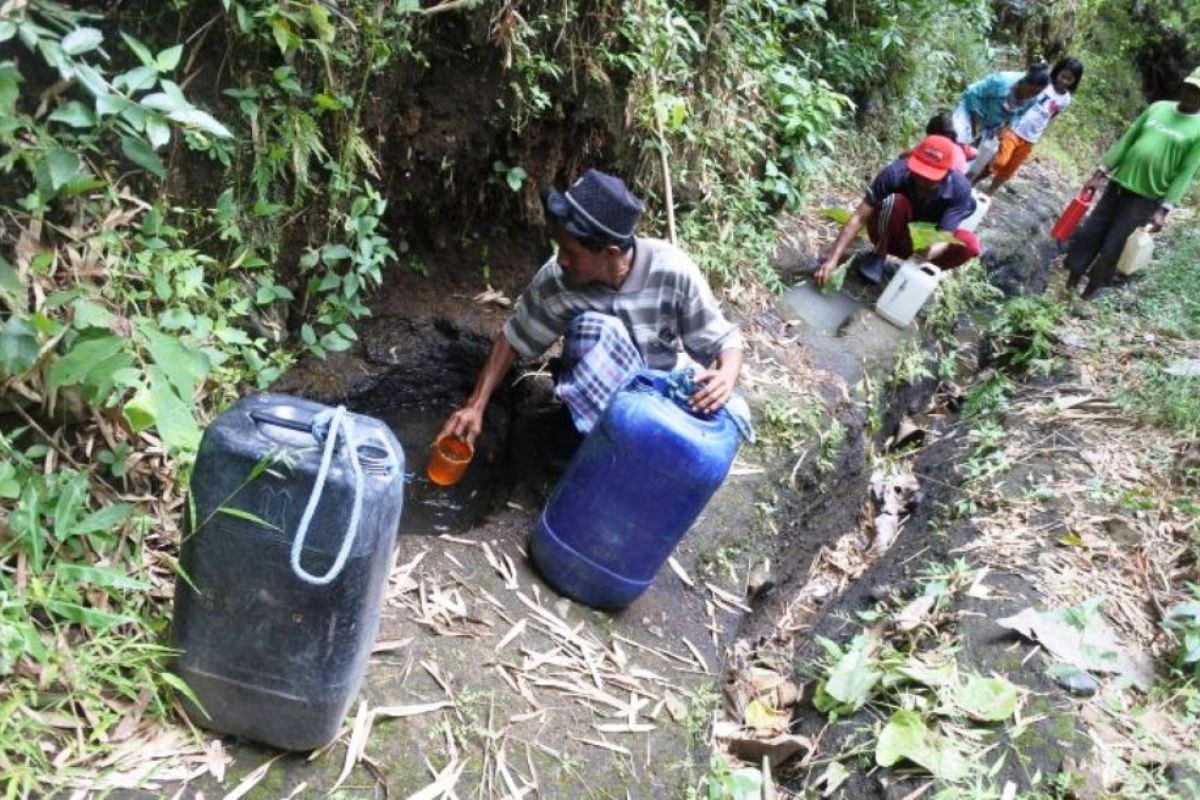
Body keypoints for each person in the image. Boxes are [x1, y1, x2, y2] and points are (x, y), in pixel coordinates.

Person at [438, 168, 745, 459]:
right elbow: (513, 339)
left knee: (732, 413)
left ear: (610, 253)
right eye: (560, 247)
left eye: (571, 252)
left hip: (657, 395)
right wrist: (475, 406)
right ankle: (589, 449)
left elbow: (725, 339)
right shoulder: (557, 281)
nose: (561, 260)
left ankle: (637, 455)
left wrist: (727, 374)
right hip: (592, 406)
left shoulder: (671, 270)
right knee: (593, 329)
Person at [1064, 66, 1200, 298]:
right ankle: (1069, 285)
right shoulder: (1158, 108)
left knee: (1114, 247)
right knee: (1090, 232)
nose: (1191, 94)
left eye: (1197, 92)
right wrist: (1100, 172)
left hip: (1145, 197)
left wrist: (1164, 209)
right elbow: (1128, 139)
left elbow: (1186, 172)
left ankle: (1088, 294)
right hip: (1118, 184)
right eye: (1189, 88)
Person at [813, 135, 981, 286]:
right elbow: (859, 217)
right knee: (895, 201)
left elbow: (945, 236)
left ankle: (919, 272)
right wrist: (832, 260)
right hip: (893, 232)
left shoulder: (960, 189)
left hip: (925, 241)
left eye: (930, 177)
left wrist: (931, 251)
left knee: (971, 244)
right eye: (919, 172)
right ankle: (878, 254)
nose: (922, 180)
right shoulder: (895, 173)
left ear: (947, 174)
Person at [982, 57, 1083, 195]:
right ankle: (974, 180)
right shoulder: (1045, 84)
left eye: (1069, 79)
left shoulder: (1066, 99)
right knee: (999, 161)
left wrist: (1042, 134)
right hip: (1016, 128)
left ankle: (989, 193)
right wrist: (1007, 122)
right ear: (1057, 72)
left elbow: (1051, 116)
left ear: (1074, 81)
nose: (1064, 81)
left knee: (1009, 169)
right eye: (1062, 76)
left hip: (1031, 138)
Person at [952, 66, 1051, 146]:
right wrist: (976, 121)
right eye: (1031, 91)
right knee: (956, 138)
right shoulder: (1001, 82)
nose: (1031, 95)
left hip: (988, 126)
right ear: (1024, 81)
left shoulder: (1032, 99)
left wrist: (1007, 127)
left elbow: (1019, 115)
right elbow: (972, 93)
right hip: (970, 111)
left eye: (1037, 93)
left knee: (972, 157)